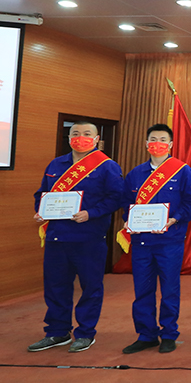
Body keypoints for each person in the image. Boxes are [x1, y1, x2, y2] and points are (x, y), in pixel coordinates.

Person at [29, 121, 124, 353]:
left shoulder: (107, 166)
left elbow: (116, 198)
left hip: (88, 237)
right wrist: (42, 210)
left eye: (86, 134)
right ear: (69, 137)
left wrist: (92, 213)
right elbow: (42, 193)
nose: (80, 137)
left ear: (97, 138)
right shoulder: (56, 164)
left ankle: (85, 333)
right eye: (75, 133)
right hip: (57, 237)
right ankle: (57, 332)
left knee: (90, 287)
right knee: (55, 286)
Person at [121, 124, 191, 354]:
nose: (158, 143)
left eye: (163, 139)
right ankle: (146, 334)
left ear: (171, 144)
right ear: (146, 144)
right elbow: (126, 202)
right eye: (153, 139)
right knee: (142, 290)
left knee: (169, 289)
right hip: (142, 242)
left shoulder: (182, 171)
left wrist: (175, 219)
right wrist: (129, 220)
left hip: (169, 241)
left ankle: (168, 334)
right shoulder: (135, 174)